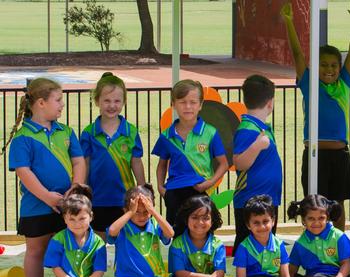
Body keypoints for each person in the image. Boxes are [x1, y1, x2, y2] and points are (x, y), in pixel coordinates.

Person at [281, 2, 350, 230]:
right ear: (314, 66)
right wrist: (289, 21)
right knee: (315, 205)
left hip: (339, 154)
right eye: (324, 64)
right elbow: (297, 54)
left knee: (336, 205)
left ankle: (338, 245)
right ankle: (314, 243)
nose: (329, 69)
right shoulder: (309, 83)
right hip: (314, 154)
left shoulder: (344, 83)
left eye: (334, 65)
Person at [5, 77, 85, 277]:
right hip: (35, 206)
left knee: (71, 248)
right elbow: (24, 171)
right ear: (41, 102)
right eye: (58, 100)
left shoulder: (66, 132)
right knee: (36, 251)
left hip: (68, 205)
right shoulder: (23, 137)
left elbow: (78, 161)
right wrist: (47, 197)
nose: (62, 105)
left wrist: (75, 189)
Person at [152, 79, 229, 230]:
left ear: (200, 105)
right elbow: (161, 165)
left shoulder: (210, 132)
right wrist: (161, 188)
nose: (188, 106)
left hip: (200, 190)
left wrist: (209, 183)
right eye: (182, 102)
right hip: (174, 193)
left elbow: (224, 163)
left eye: (193, 102)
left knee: (202, 232)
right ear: (174, 104)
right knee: (178, 234)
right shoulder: (167, 136)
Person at [81, 72, 145, 239]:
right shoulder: (89, 133)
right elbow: (85, 164)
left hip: (125, 200)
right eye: (107, 101)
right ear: (97, 101)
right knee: (97, 244)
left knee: (125, 242)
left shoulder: (131, 131)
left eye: (117, 101)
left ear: (123, 102)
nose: (112, 105)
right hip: (97, 199)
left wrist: (143, 188)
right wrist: (81, 190)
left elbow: (136, 162)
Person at [233, 75, 282, 253]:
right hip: (250, 200)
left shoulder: (260, 127)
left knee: (266, 243)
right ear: (270, 103)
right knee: (247, 244)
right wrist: (257, 145)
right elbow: (239, 163)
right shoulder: (248, 129)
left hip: (267, 198)